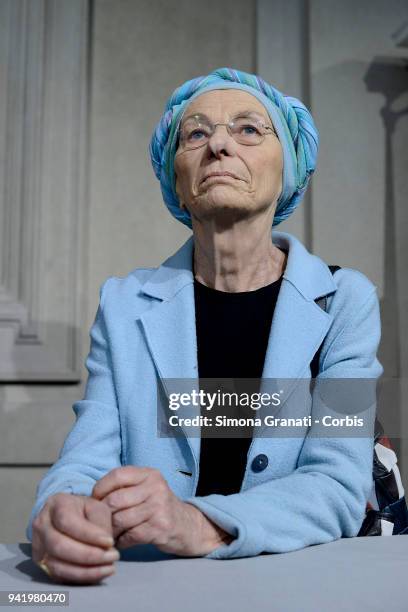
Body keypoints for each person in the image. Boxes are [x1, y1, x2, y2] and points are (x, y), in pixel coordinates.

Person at [28, 67, 383, 584]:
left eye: (248, 130)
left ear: (289, 167)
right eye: (196, 133)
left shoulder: (345, 302)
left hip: (296, 587)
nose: (218, 144)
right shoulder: (124, 304)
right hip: (156, 589)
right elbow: (86, 461)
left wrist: (196, 521)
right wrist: (60, 513)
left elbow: (338, 484)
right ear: (176, 178)